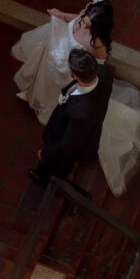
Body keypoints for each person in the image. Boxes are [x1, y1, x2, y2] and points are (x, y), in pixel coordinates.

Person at [12, 0, 140, 196]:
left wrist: (47, 153)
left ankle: (51, 179)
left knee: (65, 153)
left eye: (87, 25)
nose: (81, 24)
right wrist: (62, 16)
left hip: (70, 123)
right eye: (83, 19)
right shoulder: (95, 74)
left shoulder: (82, 112)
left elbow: (69, 142)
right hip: (70, 79)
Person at [27, 48, 112, 187]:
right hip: (80, 126)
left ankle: (44, 177)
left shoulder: (81, 114)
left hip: (64, 137)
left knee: (60, 161)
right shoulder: (104, 72)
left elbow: (67, 145)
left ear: (75, 76)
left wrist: (46, 153)